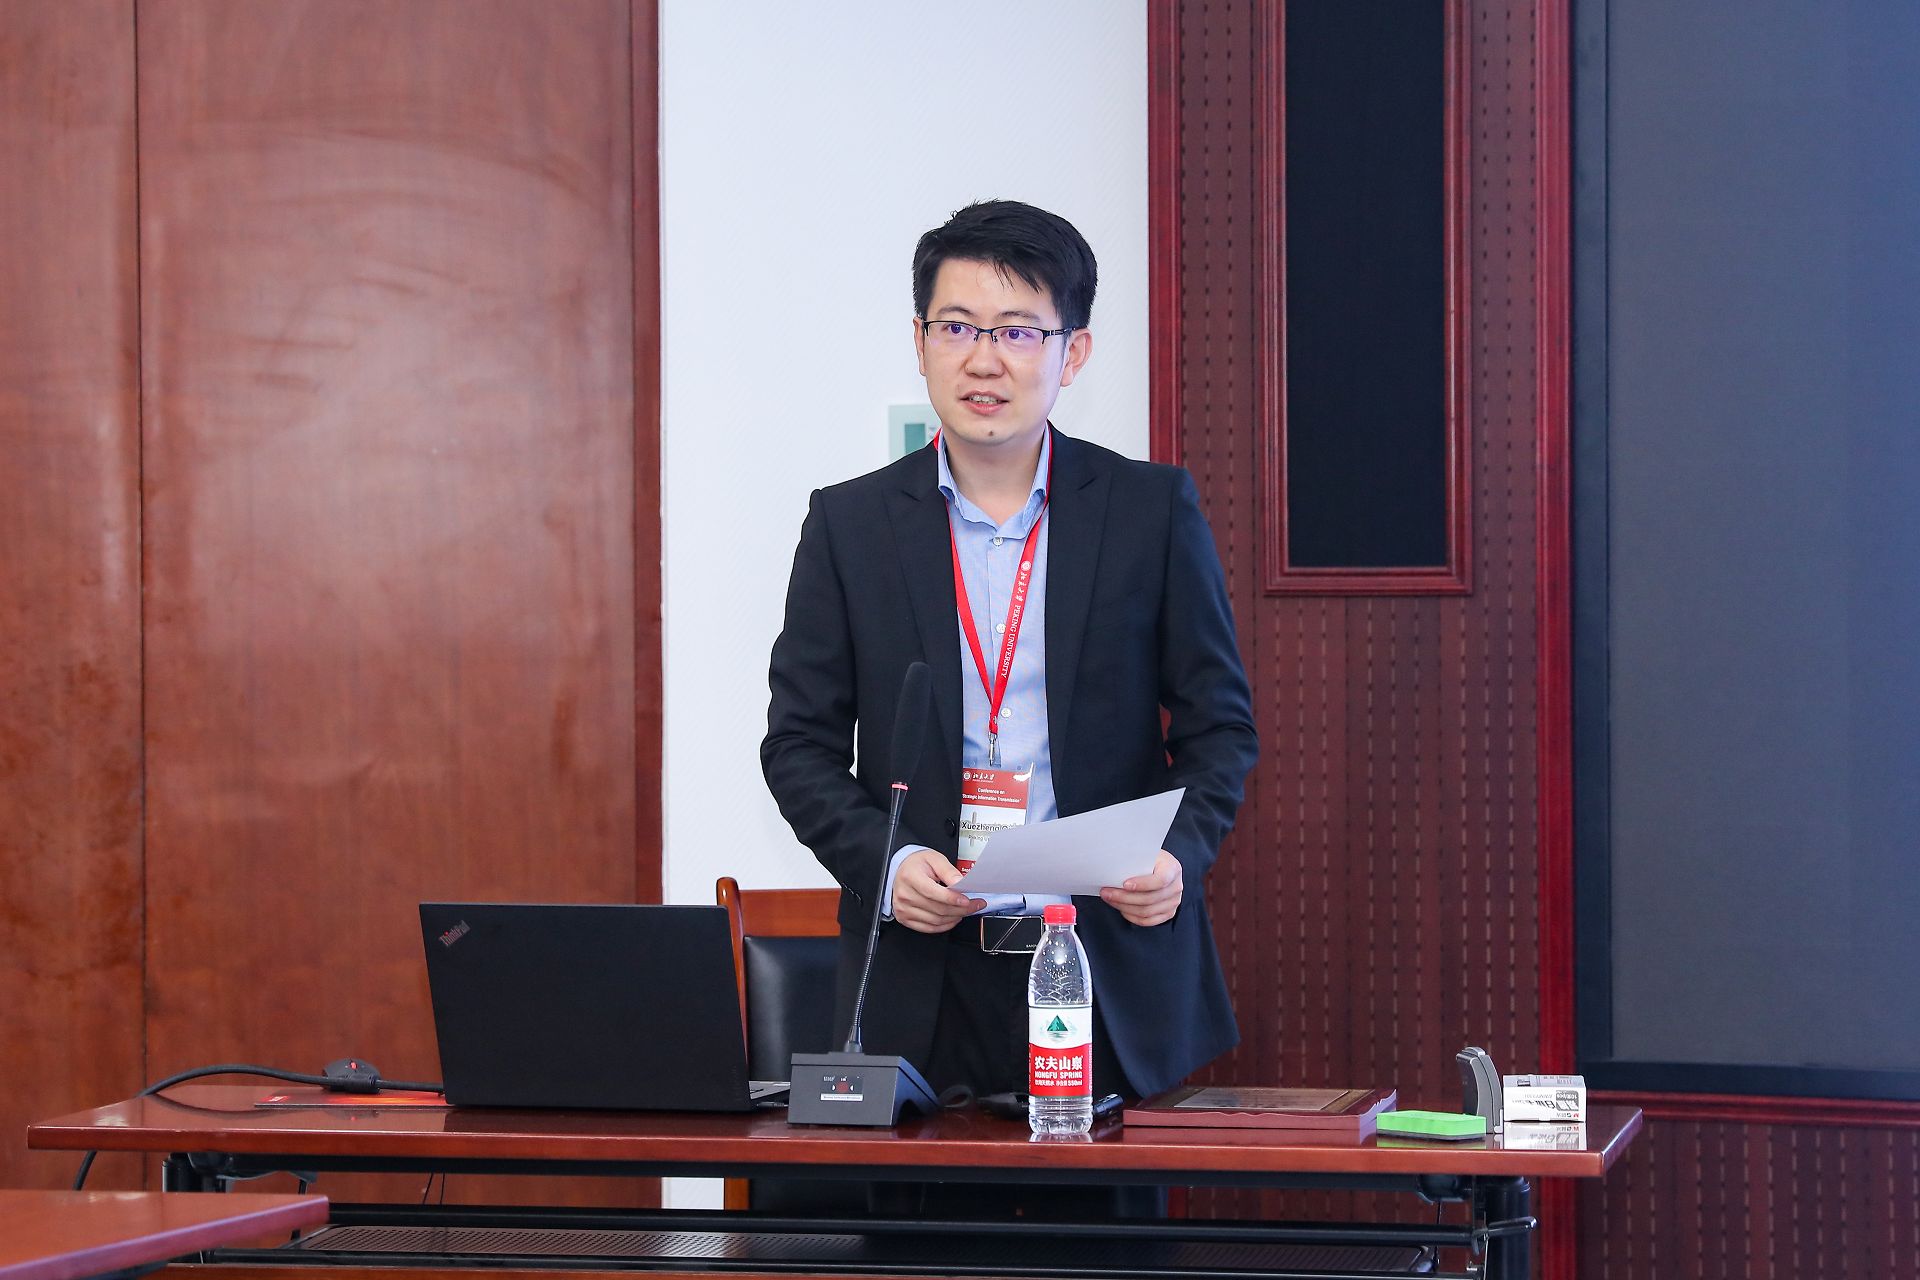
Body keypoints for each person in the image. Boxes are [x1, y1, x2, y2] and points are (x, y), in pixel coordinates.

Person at [762, 199, 1257, 1113]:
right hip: (923, 972)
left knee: (1103, 1211)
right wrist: (888, 863)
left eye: (1019, 331)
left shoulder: (1149, 512)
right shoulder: (849, 525)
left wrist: (1176, 856)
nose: (983, 359)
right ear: (919, 342)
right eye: (956, 326)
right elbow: (797, 746)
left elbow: (1219, 728)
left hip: (1100, 964)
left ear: (1074, 352)